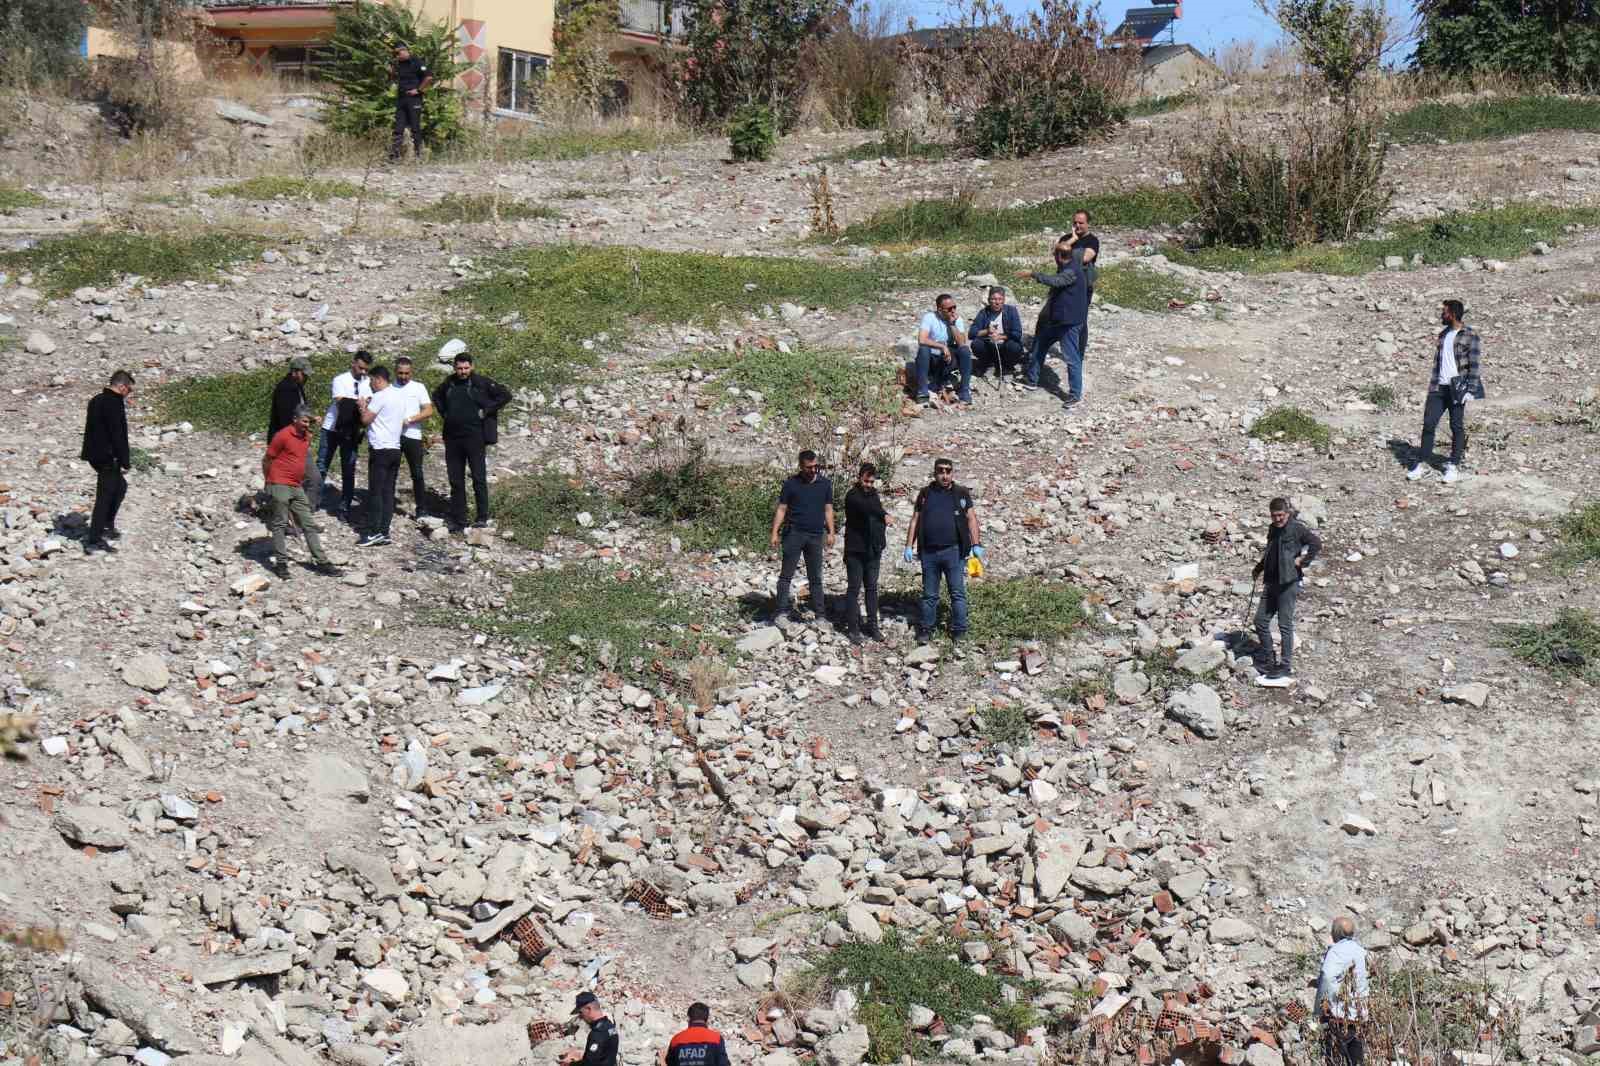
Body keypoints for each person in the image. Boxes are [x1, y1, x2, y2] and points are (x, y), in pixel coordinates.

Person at [903, 459, 983, 645]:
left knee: (957, 593)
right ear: (935, 472)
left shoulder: (961, 493)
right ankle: (926, 629)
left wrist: (976, 544)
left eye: (948, 471)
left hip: (953, 552)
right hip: (929, 553)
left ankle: (960, 630)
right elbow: (915, 520)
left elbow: (971, 519)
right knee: (930, 595)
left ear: (952, 473)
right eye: (941, 471)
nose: (944, 475)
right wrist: (909, 545)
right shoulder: (925, 494)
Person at [431, 351, 512, 532]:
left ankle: (482, 517)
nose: (463, 371)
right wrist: (445, 414)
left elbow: (505, 395)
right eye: (459, 368)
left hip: (475, 438)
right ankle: (459, 518)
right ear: (454, 368)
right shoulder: (449, 383)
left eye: (466, 368)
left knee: (478, 478)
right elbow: (436, 395)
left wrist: (487, 410)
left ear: (472, 366)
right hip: (452, 438)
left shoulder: (481, 382)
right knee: (456, 480)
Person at [1406, 299, 1484, 486]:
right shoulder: (1443, 334)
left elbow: (1474, 365)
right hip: (1438, 387)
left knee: (1456, 426)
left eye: (1444, 312)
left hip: (1458, 388)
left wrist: (1470, 390)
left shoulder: (1469, 335)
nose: (1442, 315)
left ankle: (1453, 465)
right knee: (1429, 424)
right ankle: (1422, 463)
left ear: (1453, 314)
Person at [1250, 497, 1321, 686]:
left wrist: (1303, 561)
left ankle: (1285, 665)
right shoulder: (1273, 528)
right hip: (1271, 581)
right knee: (1260, 621)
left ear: (1287, 513)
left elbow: (1316, 543)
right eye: (1274, 516)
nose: (1278, 519)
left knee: (1284, 625)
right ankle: (1269, 658)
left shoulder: (1296, 528)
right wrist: (1258, 568)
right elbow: (1270, 552)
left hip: (1288, 582)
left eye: (1280, 515)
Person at [262, 405, 339, 578]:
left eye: (309, 422)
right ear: (295, 419)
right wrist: (268, 481)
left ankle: (322, 561)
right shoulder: (282, 435)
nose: (307, 425)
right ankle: (281, 563)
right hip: (279, 482)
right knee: (280, 523)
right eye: (304, 421)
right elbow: (267, 459)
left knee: (308, 523)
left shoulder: (306, 437)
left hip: (296, 485)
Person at [1017, 239, 1089, 406]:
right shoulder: (1068, 266)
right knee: (1039, 346)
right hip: (1058, 321)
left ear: (1058, 256)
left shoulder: (1071, 271)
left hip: (1068, 324)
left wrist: (1033, 274)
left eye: (1054, 254)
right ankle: (1032, 380)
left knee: (1072, 358)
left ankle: (1075, 395)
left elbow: (1057, 281)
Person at [768, 449, 835, 623]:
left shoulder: (825, 484)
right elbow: (782, 509)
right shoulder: (791, 484)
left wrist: (831, 532)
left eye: (816, 466)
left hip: (815, 535)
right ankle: (781, 611)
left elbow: (828, 509)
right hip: (794, 533)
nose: (813, 470)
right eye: (809, 467)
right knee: (786, 575)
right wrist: (774, 532)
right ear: (801, 466)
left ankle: (820, 614)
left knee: (816, 577)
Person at [81, 369, 134, 553]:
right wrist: (124, 460)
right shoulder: (113, 403)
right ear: (121, 386)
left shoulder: (96, 400)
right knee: (105, 496)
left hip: (94, 455)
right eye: (129, 389)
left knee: (120, 487)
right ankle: (95, 538)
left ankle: (107, 525)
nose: (129, 394)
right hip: (107, 457)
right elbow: (118, 435)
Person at [356, 366, 406, 548]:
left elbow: (365, 420)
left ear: (378, 379)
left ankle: (373, 531)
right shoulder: (398, 396)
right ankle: (384, 531)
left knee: (376, 491)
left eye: (371, 381)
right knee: (388, 491)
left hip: (380, 448)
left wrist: (362, 407)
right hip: (394, 447)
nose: (371, 385)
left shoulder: (380, 397)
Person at [318, 351, 371, 517]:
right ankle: (312, 500)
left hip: (352, 429)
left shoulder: (367, 382)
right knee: (322, 464)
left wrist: (363, 403)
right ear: (353, 363)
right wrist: (360, 403)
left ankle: (345, 504)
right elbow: (341, 401)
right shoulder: (340, 380)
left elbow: (369, 401)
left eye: (365, 369)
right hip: (332, 428)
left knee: (349, 467)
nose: (362, 372)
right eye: (361, 368)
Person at [842, 462, 888, 645]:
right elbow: (866, 509)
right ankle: (853, 628)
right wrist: (884, 514)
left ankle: (872, 626)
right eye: (866, 481)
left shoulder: (874, 495)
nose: (868, 484)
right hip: (855, 550)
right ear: (859, 478)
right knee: (854, 589)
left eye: (871, 482)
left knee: (871, 589)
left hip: (873, 550)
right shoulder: (852, 496)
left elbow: (876, 513)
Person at [1313, 915, 1369, 1066]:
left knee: (1335, 1059)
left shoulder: (1336, 951)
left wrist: (1321, 1008)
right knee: (1356, 1061)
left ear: (1335, 933)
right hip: (1358, 1015)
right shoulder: (1361, 951)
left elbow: (1327, 977)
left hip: (1338, 1014)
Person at [269, 356, 319, 508]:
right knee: (312, 480)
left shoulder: (296, 386)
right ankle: (302, 519)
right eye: (305, 374)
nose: (307, 377)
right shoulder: (286, 389)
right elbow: (287, 420)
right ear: (295, 372)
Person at [392, 357, 435, 516]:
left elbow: (428, 410)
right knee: (391, 471)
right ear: (395, 371)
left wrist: (409, 420)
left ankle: (421, 508)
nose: (403, 376)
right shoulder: (389, 388)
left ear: (412, 372)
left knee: (417, 473)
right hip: (393, 437)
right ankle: (388, 504)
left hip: (413, 435)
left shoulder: (418, 387)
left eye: (406, 373)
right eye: (400, 373)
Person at [913, 294, 973, 406]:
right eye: (950, 309)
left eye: (954, 307)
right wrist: (942, 346)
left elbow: (961, 343)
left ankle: (965, 390)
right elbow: (922, 339)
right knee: (923, 349)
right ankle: (922, 391)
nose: (953, 311)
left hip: (947, 358)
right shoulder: (930, 317)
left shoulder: (956, 319)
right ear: (940, 309)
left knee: (964, 350)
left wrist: (952, 324)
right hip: (932, 357)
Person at [1063, 210, 1099, 356]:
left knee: (1080, 320)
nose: (1077, 225)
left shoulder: (1092, 241)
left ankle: (1079, 353)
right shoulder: (1067, 238)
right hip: (1064, 283)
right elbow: (1056, 252)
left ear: (1088, 223)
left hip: (1083, 286)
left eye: (1081, 223)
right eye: (1075, 223)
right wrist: (1072, 239)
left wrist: (1065, 254)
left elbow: (1085, 258)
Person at [969, 286, 1024, 382]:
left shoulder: (1011, 311)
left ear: (1004, 300)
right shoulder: (984, 313)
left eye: (1000, 299)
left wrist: (1000, 337)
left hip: (1005, 346)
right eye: (993, 299)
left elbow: (1017, 333)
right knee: (976, 344)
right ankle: (989, 364)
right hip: (990, 347)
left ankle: (1007, 367)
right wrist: (986, 331)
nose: (997, 302)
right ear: (989, 300)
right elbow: (971, 333)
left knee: (1014, 346)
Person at [390, 43, 433, 162]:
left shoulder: (417, 62)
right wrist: (392, 70)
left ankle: (419, 155)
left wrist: (418, 90)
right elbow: (393, 78)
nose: (396, 56)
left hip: (414, 99)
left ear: (405, 51)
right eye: (394, 54)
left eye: (397, 53)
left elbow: (429, 77)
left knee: (415, 127)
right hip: (401, 99)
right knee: (398, 128)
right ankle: (394, 156)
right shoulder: (399, 64)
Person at [660, 1003, 730, 1066]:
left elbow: (670, 1063)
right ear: (707, 1019)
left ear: (689, 1018)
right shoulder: (716, 1038)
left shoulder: (676, 1039)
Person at [560, 992, 618, 1066]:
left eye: (581, 1012)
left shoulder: (598, 1033)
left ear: (588, 1009)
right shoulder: (610, 1026)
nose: (581, 1017)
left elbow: (589, 1064)